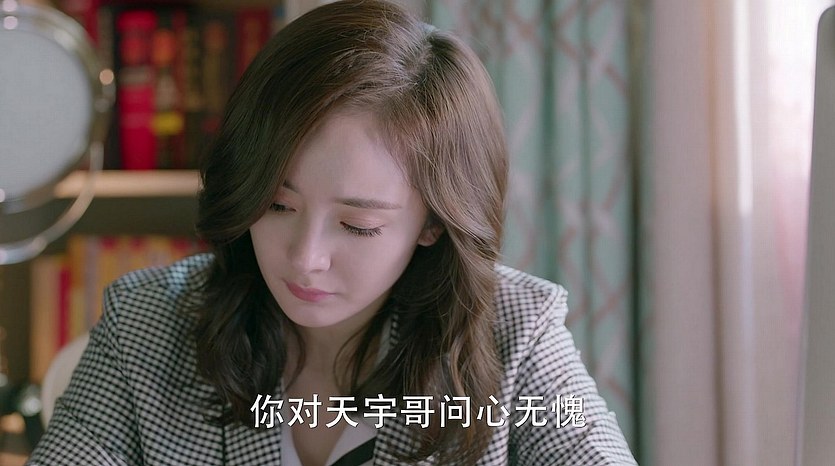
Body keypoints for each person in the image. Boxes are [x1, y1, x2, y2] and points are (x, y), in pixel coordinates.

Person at [28, 1, 637, 464]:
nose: (306, 258)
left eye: (357, 225)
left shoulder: (516, 335)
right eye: (277, 205)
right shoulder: (146, 326)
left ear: (432, 222)